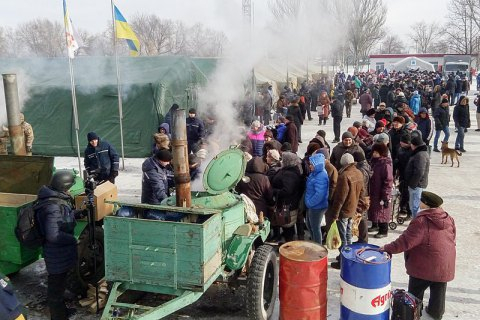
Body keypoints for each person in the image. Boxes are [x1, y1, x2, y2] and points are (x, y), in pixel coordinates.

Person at [381, 191, 456, 320]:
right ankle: (436, 312)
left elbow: (405, 242)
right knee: (439, 288)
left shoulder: (421, 221)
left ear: (425, 204)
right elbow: (453, 237)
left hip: (424, 265)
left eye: (421, 200)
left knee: (415, 292)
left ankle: (412, 313)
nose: (419, 202)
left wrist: (387, 248)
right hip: (445, 264)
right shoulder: (448, 218)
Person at [36, 170, 88, 320]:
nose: (71, 189)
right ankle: (58, 317)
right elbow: (53, 235)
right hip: (56, 254)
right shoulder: (52, 206)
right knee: (56, 290)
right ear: (63, 186)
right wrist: (73, 240)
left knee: (60, 285)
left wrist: (76, 214)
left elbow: (63, 217)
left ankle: (62, 312)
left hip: (60, 253)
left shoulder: (55, 198)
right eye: (70, 186)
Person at [328, 153, 365, 269]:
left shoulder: (344, 176)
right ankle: (350, 256)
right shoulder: (359, 173)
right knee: (348, 235)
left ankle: (343, 261)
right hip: (352, 209)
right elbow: (362, 192)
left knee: (342, 236)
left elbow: (340, 198)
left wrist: (335, 214)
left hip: (344, 211)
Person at [271, 152, 303, 242]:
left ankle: (289, 245)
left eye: (283, 159)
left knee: (287, 226)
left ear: (287, 161)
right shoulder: (291, 170)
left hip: (288, 205)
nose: (281, 161)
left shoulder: (289, 174)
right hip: (289, 203)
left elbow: (287, 191)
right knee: (288, 226)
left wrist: (274, 191)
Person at [367, 143, 393, 238]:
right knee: (375, 209)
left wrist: (386, 196)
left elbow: (388, 181)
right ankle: (375, 225)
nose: (374, 154)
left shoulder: (385, 164)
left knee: (383, 211)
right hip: (374, 190)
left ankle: (383, 230)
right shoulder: (374, 162)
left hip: (381, 191)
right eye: (374, 152)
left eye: (376, 152)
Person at [304, 153, 329, 244]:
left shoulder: (321, 176)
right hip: (311, 205)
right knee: (309, 225)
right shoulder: (314, 173)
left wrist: (310, 202)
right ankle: (314, 242)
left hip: (317, 207)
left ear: (317, 165)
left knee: (315, 227)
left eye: (311, 164)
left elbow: (320, 194)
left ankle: (318, 246)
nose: (309, 166)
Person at [404, 130, 430, 218]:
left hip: (416, 185)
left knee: (415, 207)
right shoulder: (420, 153)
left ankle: (416, 225)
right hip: (417, 184)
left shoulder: (420, 155)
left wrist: (412, 184)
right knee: (414, 206)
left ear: (414, 145)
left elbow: (419, 171)